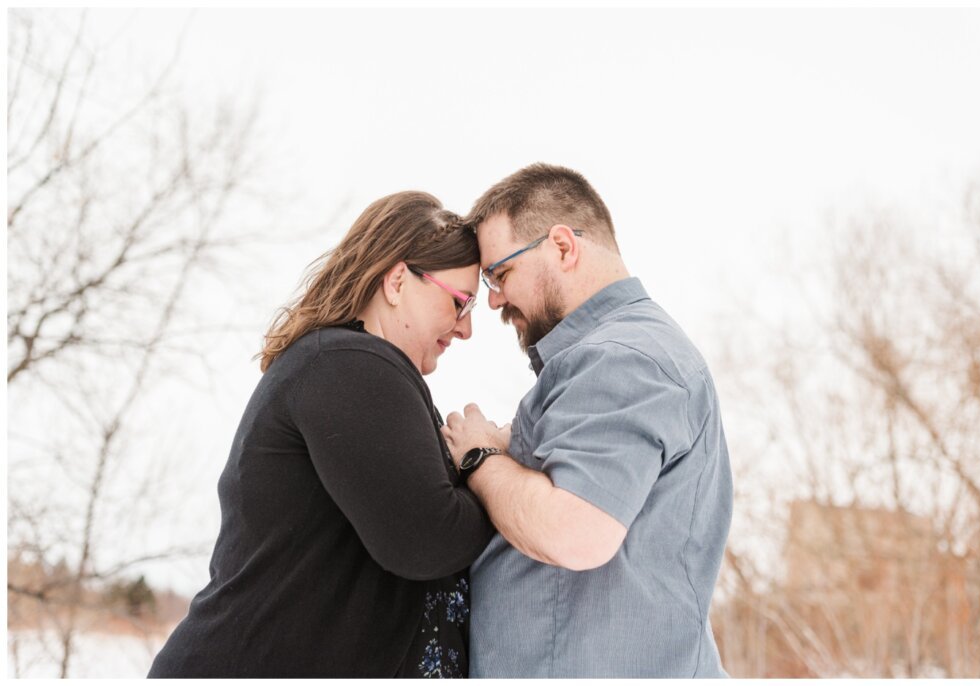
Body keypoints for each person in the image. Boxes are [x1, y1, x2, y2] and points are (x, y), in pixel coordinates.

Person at [149, 191, 493, 678]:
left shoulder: (347, 370)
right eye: (460, 303)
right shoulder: (351, 365)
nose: (467, 329)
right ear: (397, 281)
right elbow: (425, 540)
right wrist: (488, 465)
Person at [442, 164, 733, 678]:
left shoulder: (622, 358)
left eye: (499, 274)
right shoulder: (614, 357)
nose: (492, 301)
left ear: (562, 247)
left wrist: (478, 457)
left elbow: (575, 532)